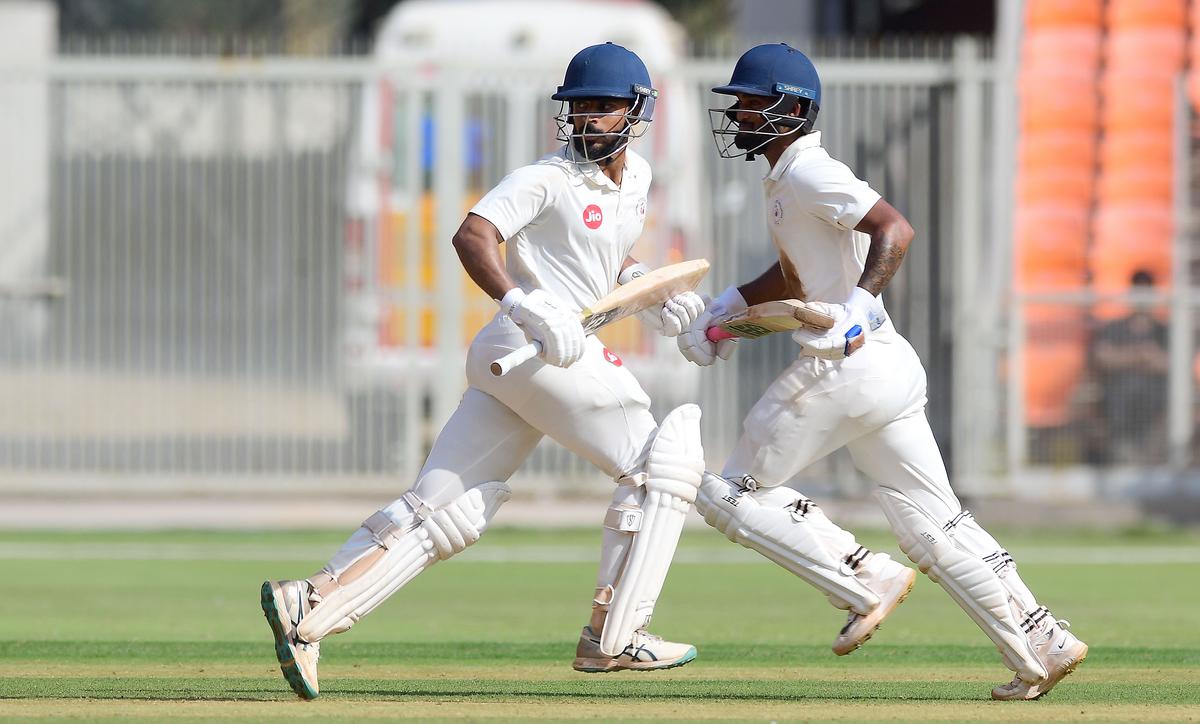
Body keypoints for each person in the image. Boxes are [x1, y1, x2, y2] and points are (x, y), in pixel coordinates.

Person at [261, 42, 708, 700]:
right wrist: (522, 301)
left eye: (602, 107)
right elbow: (473, 235)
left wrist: (648, 288)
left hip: (525, 363)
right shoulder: (545, 177)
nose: (587, 118)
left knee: (443, 510)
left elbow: (604, 259)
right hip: (537, 349)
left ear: (637, 112)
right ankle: (613, 634)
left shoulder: (635, 180)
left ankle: (310, 605)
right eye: (578, 106)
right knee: (660, 465)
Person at [677, 43, 1088, 700]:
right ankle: (1042, 638)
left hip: (845, 368)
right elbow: (796, 275)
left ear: (793, 109)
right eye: (739, 103)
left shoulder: (811, 171)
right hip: (885, 370)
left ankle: (863, 574)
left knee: (730, 496)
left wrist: (858, 310)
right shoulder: (786, 180)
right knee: (936, 521)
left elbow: (894, 229)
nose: (741, 113)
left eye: (753, 101)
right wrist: (727, 310)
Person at [1093, 269, 1169, 464]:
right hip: (1120, 411)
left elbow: (1173, 365)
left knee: (1154, 464)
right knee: (1123, 463)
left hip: (1156, 411)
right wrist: (1138, 355)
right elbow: (1103, 358)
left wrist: (1147, 357)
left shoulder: (1165, 331)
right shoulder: (1114, 328)